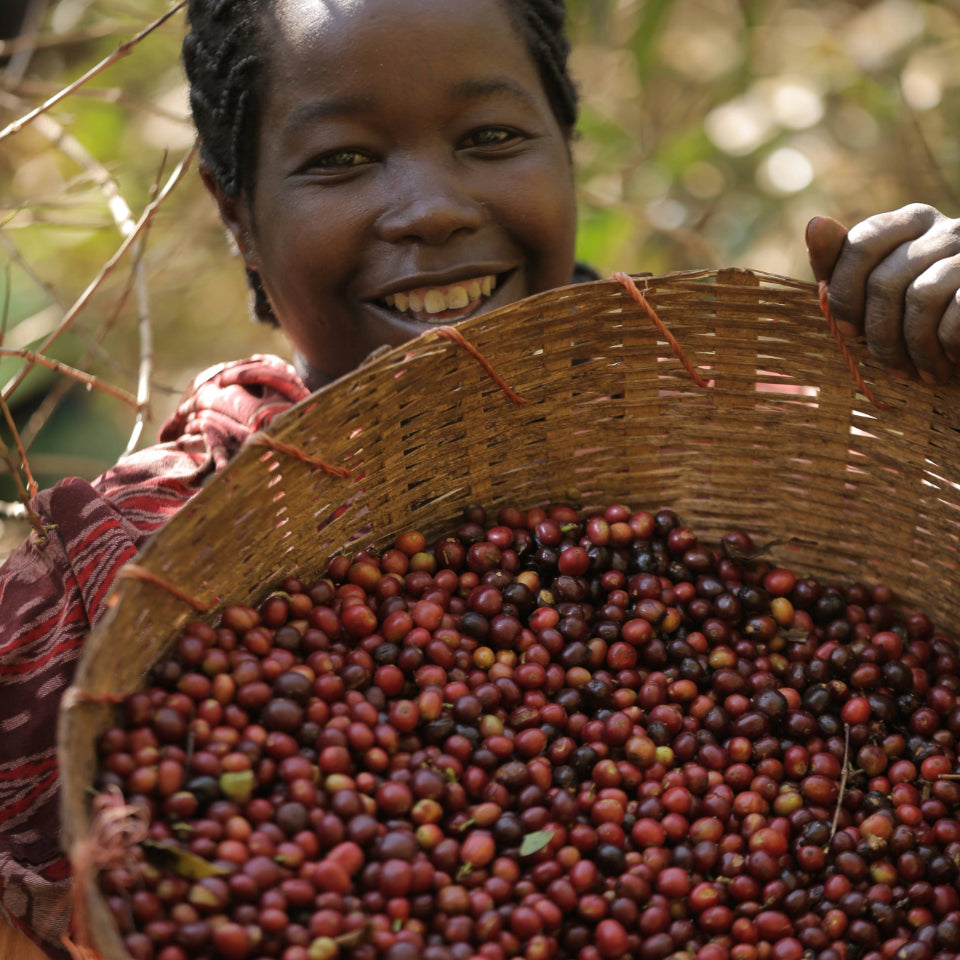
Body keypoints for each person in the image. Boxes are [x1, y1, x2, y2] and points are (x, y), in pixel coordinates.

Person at [0, 0, 957, 956]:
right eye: (342, 156)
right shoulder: (122, 560)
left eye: (492, 136)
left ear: (567, 151)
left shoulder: (785, 435)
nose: (434, 208)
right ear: (237, 213)